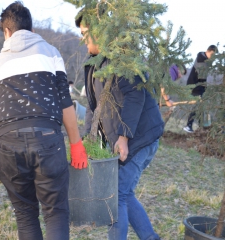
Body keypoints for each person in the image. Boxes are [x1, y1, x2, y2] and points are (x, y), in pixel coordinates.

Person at [0, 2, 88, 240]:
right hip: (46, 139)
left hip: (8, 142)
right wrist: (76, 144)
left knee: (25, 214)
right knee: (55, 212)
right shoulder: (50, 52)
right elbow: (65, 103)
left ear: (7, 32)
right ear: (31, 29)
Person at [75, 10, 164, 240]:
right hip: (131, 137)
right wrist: (87, 138)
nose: (81, 39)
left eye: (85, 34)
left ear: (100, 31)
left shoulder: (123, 57)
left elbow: (136, 96)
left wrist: (123, 136)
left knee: (116, 196)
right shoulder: (93, 64)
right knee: (124, 193)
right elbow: (93, 107)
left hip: (140, 137)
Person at [183, 45, 218, 133]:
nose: (213, 57)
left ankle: (200, 127)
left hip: (200, 86)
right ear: (209, 51)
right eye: (213, 55)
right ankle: (189, 125)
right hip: (195, 86)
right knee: (196, 105)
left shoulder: (203, 57)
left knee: (200, 106)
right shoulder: (201, 60)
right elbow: (202, 77)